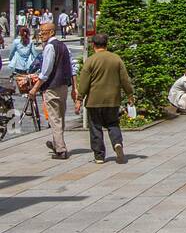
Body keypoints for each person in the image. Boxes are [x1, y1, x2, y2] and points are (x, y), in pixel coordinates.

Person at [75, 32, 134, 164]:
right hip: (113, 100)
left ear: (93, 45)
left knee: (95, 127)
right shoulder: (116, 59)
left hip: (93, 100)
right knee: (113, 123)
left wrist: (79, 99)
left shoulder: (90, 60)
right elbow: (125, 79)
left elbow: (84, 82)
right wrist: (130, 94)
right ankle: (117, 143)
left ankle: (99, 155)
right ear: (106, 44)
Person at [27, 21, 77, 159]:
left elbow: (45, 71)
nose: (41, 34)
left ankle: (61, 149)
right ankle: (56, 143)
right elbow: (72, 67)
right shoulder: (63, 46)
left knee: (54, 118)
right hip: (63, 87)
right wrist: (74, 88)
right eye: (40, 32)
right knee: (60, 116)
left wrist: (35, 88)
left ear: (51, 32)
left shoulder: (50, 47)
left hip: (52, 87)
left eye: (43, 32)